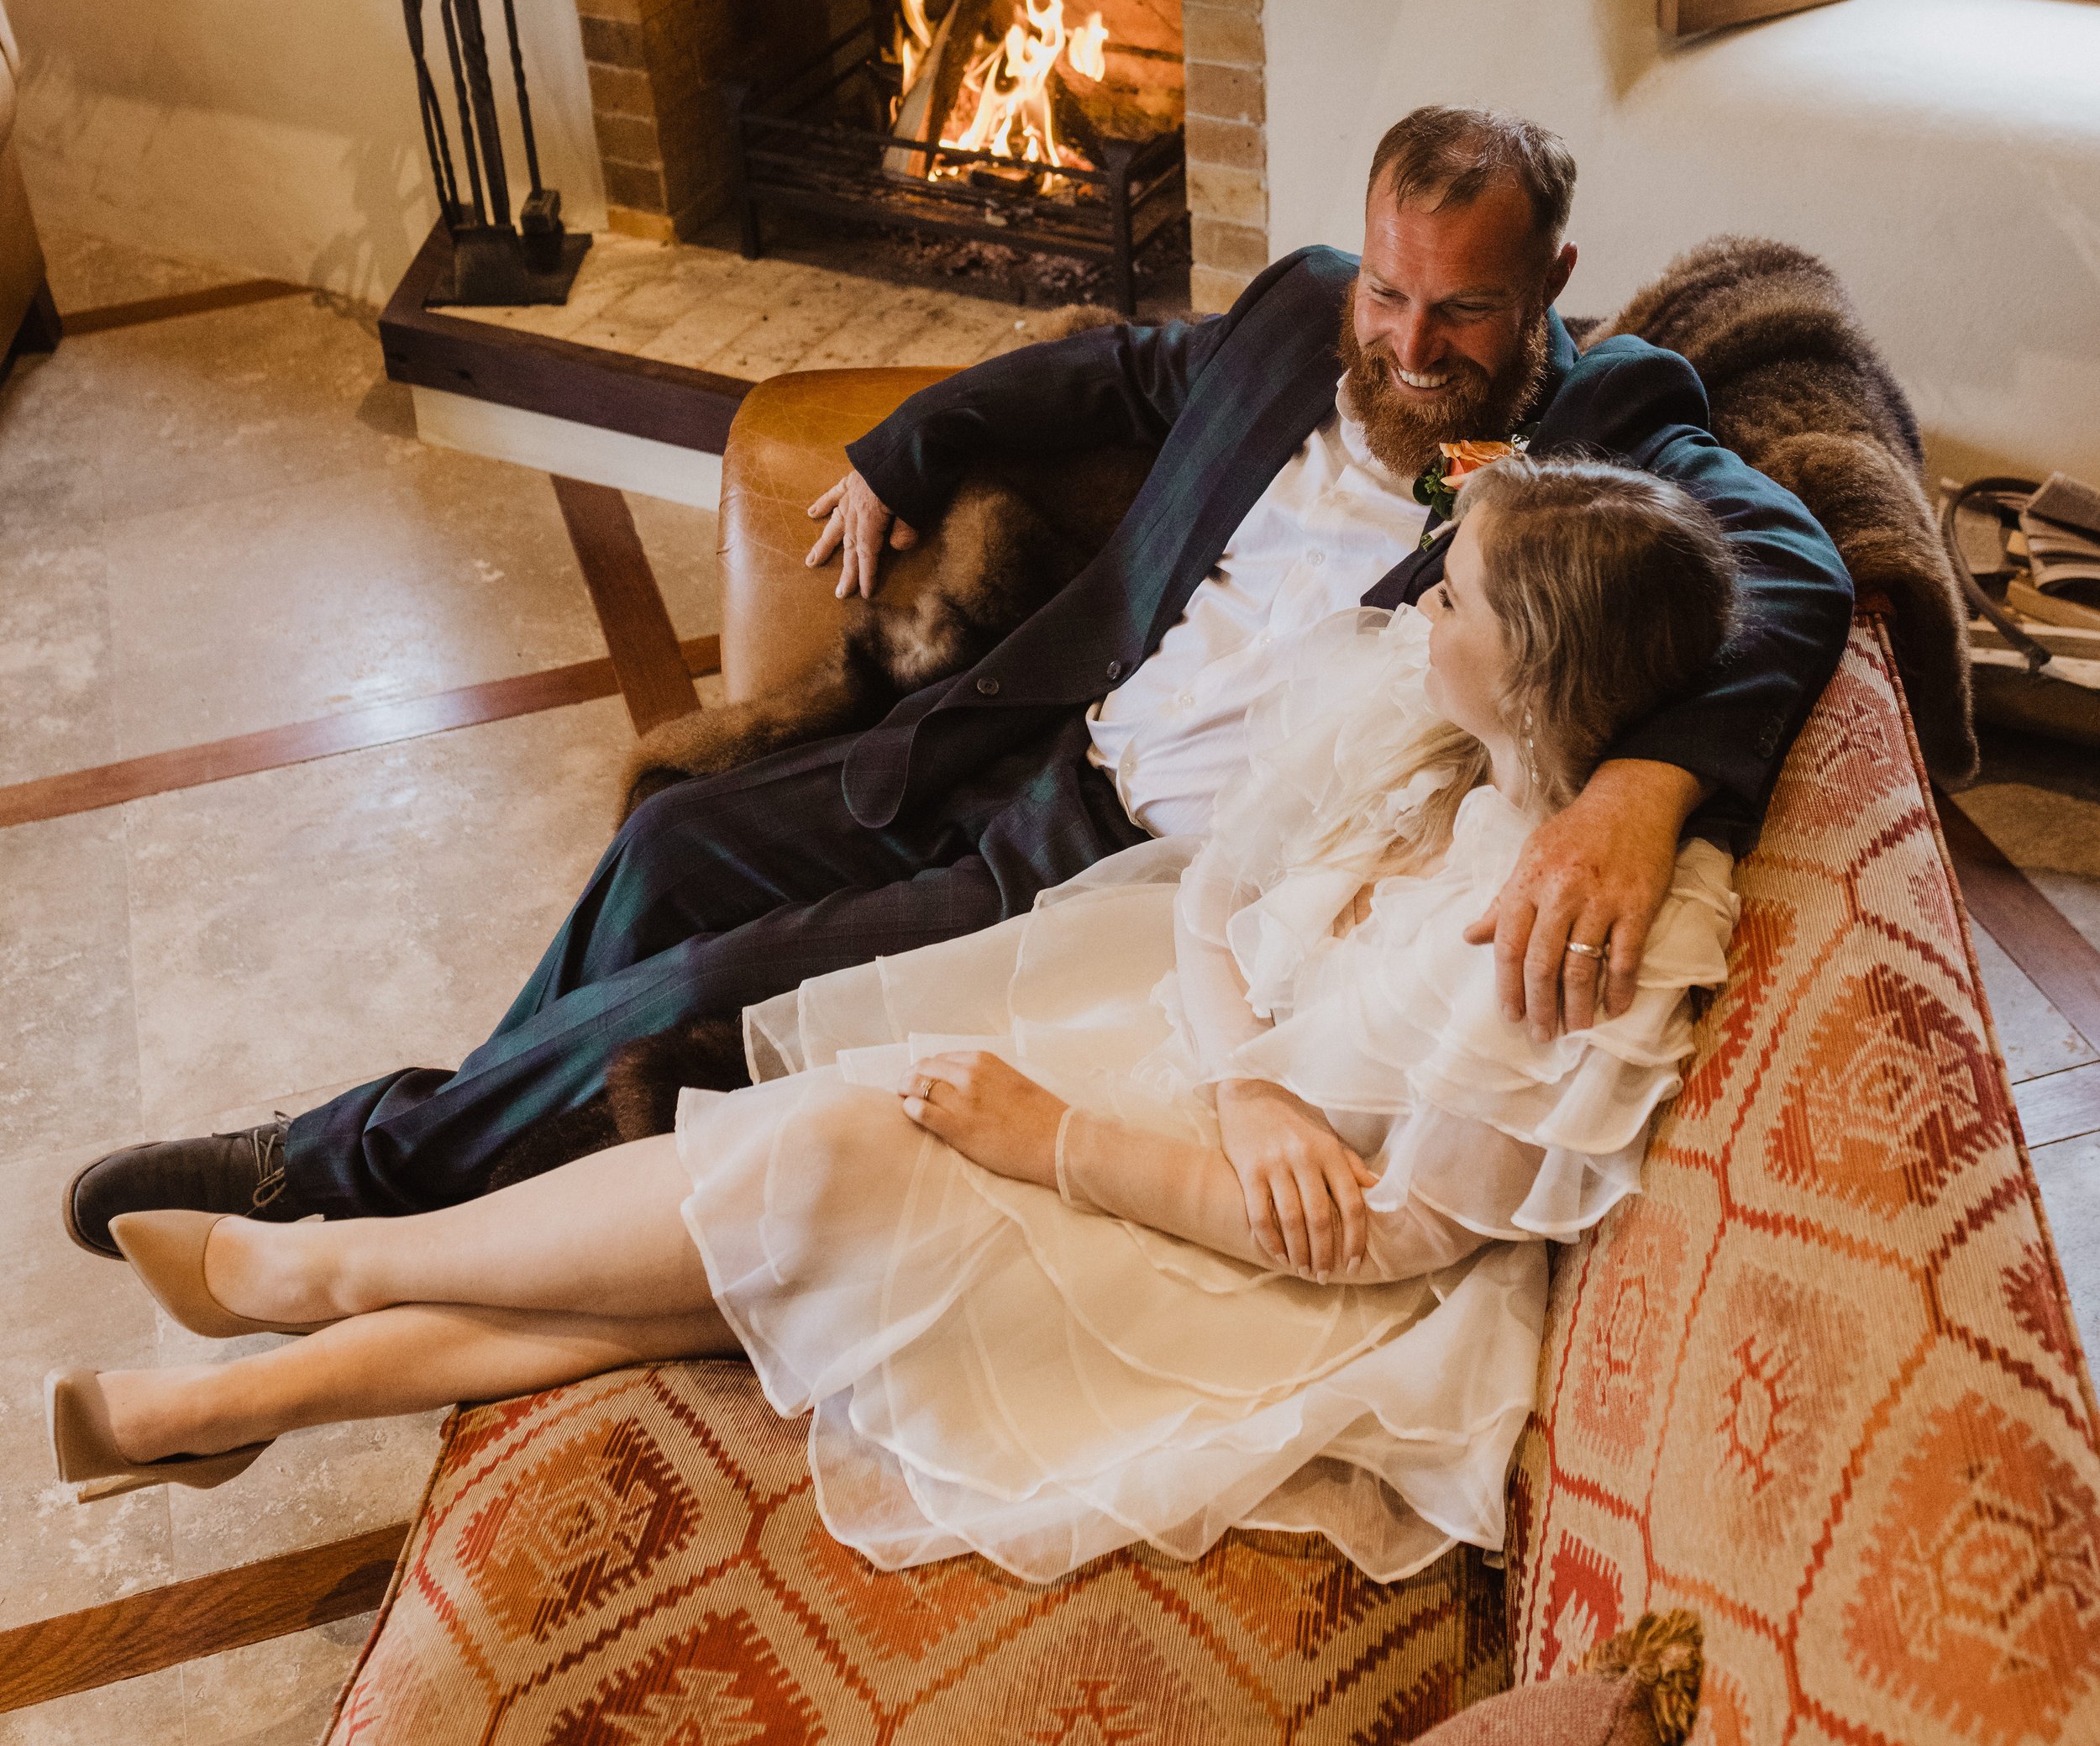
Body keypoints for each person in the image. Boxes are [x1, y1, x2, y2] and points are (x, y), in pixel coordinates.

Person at [64, 106, 1854, 1247]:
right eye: (1389, 296)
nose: (1407, 345)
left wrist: (1640, 784)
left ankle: (332, 1177)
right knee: (669, 848)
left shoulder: (1615, 432)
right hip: (1016, 750)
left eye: (1458, 311)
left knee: (701, 987)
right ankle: (494, 1138)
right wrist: (907, 449)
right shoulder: (1305, 321)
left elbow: (1791, 565)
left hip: (1131, 881)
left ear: (1546, 280)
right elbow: (1104, 370)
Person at [54, 459, 1742, 1587]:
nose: (1420, 598)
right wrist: (1235, 1083)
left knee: (821, 1155)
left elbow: (1380, 1240)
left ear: (1527, 666)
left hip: (1243, 1275)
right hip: (1176, 1077)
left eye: (1458, 599)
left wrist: (1062, 1140)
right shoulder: (1411, 724)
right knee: (743, 1241)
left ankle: (308, 1276)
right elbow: (1219, 901)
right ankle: (218, 1400)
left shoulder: (1570, 929)